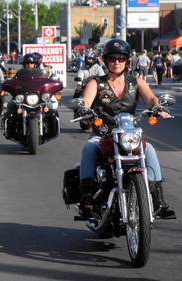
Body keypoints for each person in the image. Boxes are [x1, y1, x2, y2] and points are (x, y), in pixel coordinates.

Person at [75, 38, 175, 219]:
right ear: (105, 60)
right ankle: (87, 197)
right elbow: (87, 101)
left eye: (121, 58)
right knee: (89, 147)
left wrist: (158, 108)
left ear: (127, 61)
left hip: (128, 134)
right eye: (112, 58)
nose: (116, 62)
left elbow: (151, 99)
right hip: (103, 133)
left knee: (149, 149)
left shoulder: (136, 82)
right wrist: (84, 109)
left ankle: (158, 200)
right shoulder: (96, 82)